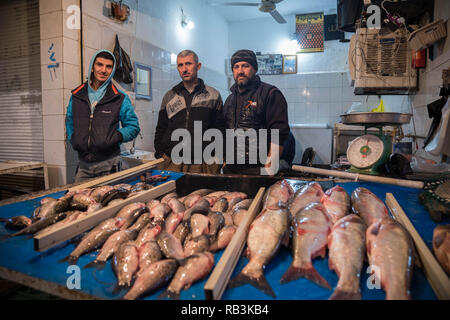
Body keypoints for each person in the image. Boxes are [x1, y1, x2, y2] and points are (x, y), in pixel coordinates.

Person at [66, 50, 140, 182]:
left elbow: (133, 127)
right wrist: (74, 138)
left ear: (112, 70)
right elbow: (69, 120)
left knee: (110, 202)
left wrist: (114, 137)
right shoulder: (77, 96)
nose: (103, 70)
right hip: (83, 166)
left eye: (108, 66)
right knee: (79, 200)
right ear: (92, 67)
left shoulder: (119, 98)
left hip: (109, 165)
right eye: (99, 65)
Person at [221, 49, 290, 175]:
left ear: (255, 69)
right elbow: (225, 132)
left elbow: (278, 133)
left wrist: (270, 167)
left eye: (245, 66)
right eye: (236, 67)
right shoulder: (230, 100)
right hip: (231, 169)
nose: (240, 71)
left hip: (259, 168)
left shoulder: (270, 94)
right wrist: (225, 161)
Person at [154, 50, 224, 174]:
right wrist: (160, 154)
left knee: (204, 193)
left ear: (198, 66)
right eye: (180, 65)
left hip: (204, 163)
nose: (184, 69)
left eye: (188, 64)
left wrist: (219, 157)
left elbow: (221, 129)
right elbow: (161, 128)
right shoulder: (169, 96)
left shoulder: (213, 95)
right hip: (172, 162)